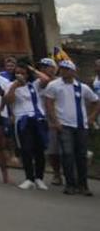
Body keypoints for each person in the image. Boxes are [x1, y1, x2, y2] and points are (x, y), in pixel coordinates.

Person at [42, 59, 99, 195]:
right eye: (62, 69)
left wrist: (91, 118)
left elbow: (96, 101)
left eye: (67, 69)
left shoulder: (82, 87)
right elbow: (49, 103)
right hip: (64, 124)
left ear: (73, 72)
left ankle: (83, 185)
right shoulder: (54, 85)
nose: (64, 71)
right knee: (67, 154)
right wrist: (55, 121)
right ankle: (70, 184)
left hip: (80, 125)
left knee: (81, 155)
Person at [3, 59, 51, 190]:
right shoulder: (10, 85)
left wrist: (32, 69)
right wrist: (15, 86)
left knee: (39, 149)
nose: (20, 75)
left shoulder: (34, 84)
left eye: (23, 73)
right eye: (18, 73)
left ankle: (39, 178)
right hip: (22, 119)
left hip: (37, 118)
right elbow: (8, 100)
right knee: (26, 149)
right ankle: (29, 178)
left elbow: (46, 79)